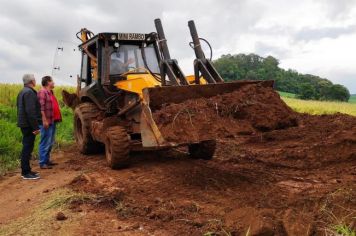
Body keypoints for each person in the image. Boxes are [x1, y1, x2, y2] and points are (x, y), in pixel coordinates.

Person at [17, 74, 42, 180]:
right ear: (32, 81)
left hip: (24, 123)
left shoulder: (22, 91)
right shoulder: (29, 92)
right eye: (35, 79)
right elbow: (30, 112)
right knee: (27, 147)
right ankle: (25, 172)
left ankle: (27, 170)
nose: (35, 81)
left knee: (27, 147)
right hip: (28, 125)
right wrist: (35, 127)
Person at [38, 76, 62, 169]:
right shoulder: (42, 92)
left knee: (50, 141)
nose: (54, 83)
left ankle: (47, 160)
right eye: (52, 81)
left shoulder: (50, 92)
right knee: (45, 141)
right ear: (48, 82)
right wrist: (44, 120)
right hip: (46, 122)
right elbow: (41, 108)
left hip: (52, 120)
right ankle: (42, 162)